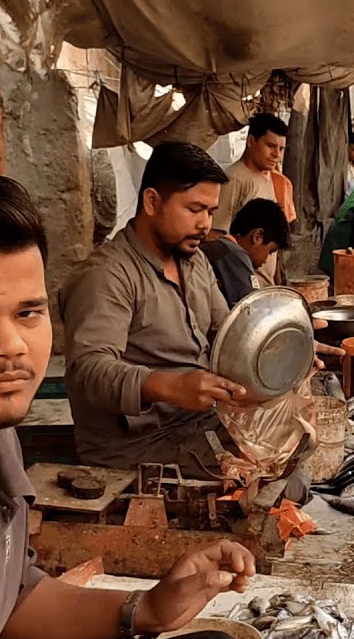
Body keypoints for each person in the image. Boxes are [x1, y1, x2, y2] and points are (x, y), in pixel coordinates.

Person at [0, 170, 255, 639]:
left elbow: (7, 597)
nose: (11, 347)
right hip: (132, 437)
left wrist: (145, 610)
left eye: (27, 313)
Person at [60, 142, 255, 474]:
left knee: (293, 443)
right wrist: (172, 387)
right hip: (137, 447)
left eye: (210, 211)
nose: (205, 224)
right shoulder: (107, 276)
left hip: (199, 423)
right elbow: (87, 372)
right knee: (271, 481)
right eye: (194, 210)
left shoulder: (195, 262)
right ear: (152, 202)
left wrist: (282, 347)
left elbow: (229, 330)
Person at [211, 113, 289, 286]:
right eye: (270, 146)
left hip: (265, 286)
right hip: (243, 286)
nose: (276, 154)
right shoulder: (234, 179)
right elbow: (215, 238)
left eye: (281, 149)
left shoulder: (270, 177)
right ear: (251, 141)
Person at [201, 198, 290, 307]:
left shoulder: (219, 249)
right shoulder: (235, 254)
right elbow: (251, 311)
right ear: (258, 236)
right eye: (270, 251)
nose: (266, 260)